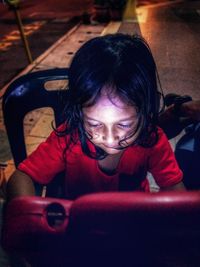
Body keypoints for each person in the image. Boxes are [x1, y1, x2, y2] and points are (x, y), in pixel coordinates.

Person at [6, 33, 185, 201]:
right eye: (94, 123)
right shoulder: (68, 138)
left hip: (131, 222)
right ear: (79, 112)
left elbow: (176, 193)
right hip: (78, 223)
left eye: (124, 124)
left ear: (146, 110)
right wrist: (28, 216)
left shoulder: (153, 141)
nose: (109, 137)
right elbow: (22, 177)